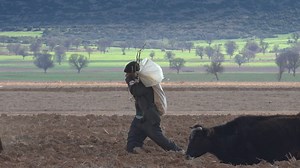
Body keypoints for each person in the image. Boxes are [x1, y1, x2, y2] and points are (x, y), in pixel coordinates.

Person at [124, 61, 182, 153]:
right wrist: (132, 80)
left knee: (159, 138)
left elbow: (135, 91)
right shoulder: (140, 83)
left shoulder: (146, 85)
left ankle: (177, 150)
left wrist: (130, 80)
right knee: (132, 143)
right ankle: (136, 148)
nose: (126, 75)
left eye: (128, 73)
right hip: (140, 118)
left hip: (149, 118)